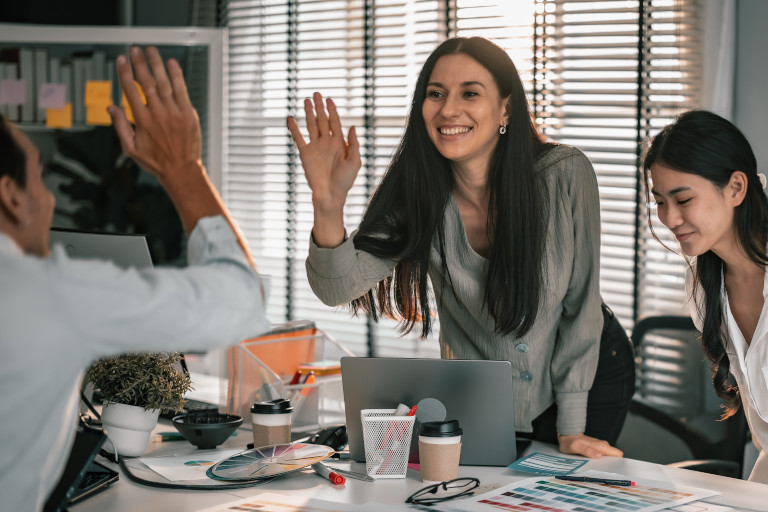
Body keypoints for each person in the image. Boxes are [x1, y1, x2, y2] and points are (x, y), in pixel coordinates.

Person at [287, 37, 634, 458]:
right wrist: (327, 201)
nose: (449, 109)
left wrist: (572, 427)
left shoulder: (565, 174)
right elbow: (337, 287)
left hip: (590, 372)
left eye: (470, 93)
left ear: (506, 109)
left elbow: (582, 304)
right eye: (436, 94)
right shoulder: (418, 196)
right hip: (485, 388)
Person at [0, 46, 270, 511]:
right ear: (12, 197)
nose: (48, 202)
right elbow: (241, 302)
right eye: (39, 180)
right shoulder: (50, 295)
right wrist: (185, 169)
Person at [643, 109, 768, 483]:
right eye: (660, 201)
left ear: (735, 189)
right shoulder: (703, 284)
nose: (669, 218)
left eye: (683, 199)